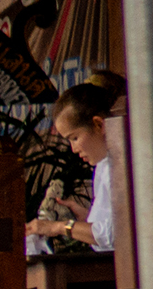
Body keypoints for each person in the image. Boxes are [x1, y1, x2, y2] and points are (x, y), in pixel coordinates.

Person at [31, 72, 125, 253]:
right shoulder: (103, 166)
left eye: (74, 138)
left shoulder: (121, 164)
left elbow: (115, 234)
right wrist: (84, 219)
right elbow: (103, 228)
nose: (73, 149)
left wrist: (60, 227)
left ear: (99, 124)